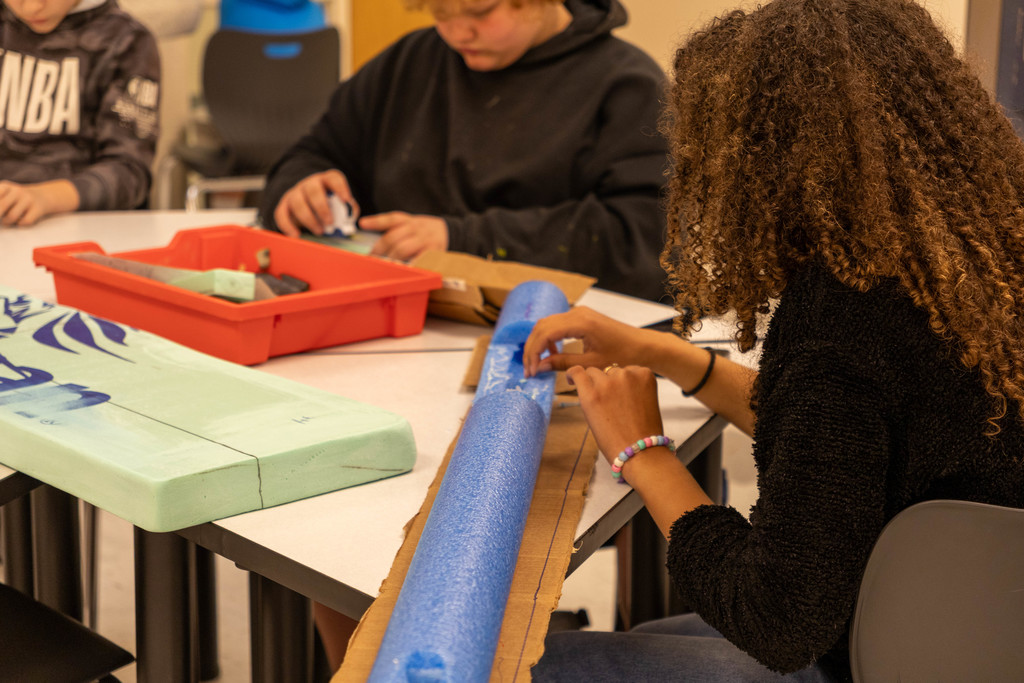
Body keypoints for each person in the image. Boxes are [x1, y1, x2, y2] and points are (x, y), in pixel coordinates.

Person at [522, 0, 1024, 680]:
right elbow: (844, 447)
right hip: (980, 635)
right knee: (648, 633)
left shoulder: (844, 321)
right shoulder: (979, 247)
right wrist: (663, 352)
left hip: (874, 652)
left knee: (530, 662)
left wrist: (643, 451)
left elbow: (778, 621)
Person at [258, 0, 669, 301]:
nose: (457, 33)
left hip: (551, 334)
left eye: (480, 11)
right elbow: (311, 153)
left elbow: (639, 239)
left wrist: (462, 239)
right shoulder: (408, 63)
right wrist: (300, 187)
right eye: (439, 11)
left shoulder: (627, 87)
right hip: (398, 318)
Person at [0, 0, 160, 227]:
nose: (32, 7)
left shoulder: (126, 42)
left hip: (78, 227)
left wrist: (43, 198)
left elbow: (129, 173)